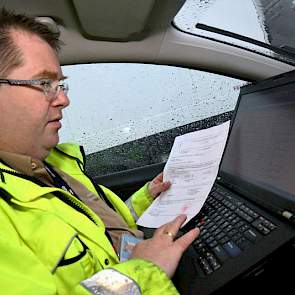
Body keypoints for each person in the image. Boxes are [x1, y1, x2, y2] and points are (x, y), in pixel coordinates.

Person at [0, 8, 199, 295]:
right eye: (45, 84)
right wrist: (143, 272)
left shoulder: (53, 163)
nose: (64, 99)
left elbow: (95, 228)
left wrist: (145, 199)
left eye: (60, 84)